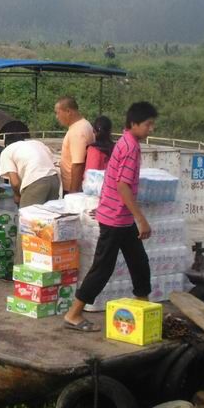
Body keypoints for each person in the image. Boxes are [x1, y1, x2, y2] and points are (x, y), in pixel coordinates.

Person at [63, 101, 158, 331]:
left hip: (121, 218)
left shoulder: (128, 142)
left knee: (139, 263)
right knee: (103, 268)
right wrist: (141, 219)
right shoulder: (130, 148)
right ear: (134, 124)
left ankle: (143, 307)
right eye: (148, 124)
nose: (151, 129)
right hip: (116, 219)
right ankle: (73, 314)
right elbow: (123, 186)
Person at [0, 136, 61, 208]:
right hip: (54, 179)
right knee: (48, 216)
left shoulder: (6, 151)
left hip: (35, 181)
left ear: (6, 145)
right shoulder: (37, 143)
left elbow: (15, 182)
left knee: (28, 216)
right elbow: (54, 163)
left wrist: (17, 195)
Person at [54, 96, 94, 194]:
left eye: (58, 112)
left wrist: (73, 192)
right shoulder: (85, 124)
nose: (57, 116)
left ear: (68, 111)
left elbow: (78, 164)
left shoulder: (77, 131)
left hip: (73, 186)